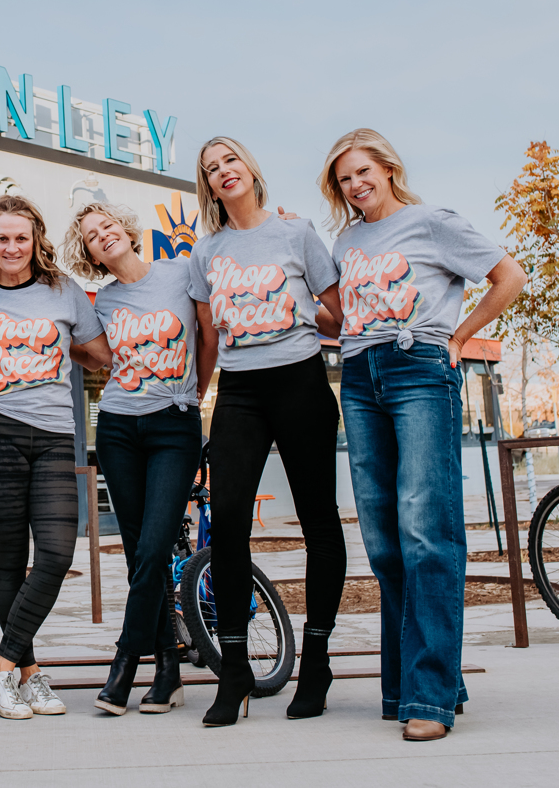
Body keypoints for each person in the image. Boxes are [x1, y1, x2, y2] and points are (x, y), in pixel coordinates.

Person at [320, 128, 524, 742]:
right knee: (383, 536)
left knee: (426, 529)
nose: (355, 185)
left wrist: (459, 338)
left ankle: (428, 697)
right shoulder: (346, 240)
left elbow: (509, 277)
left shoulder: (432, 222)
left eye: (362, 172)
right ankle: (416, 683)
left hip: (419, 369)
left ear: (387, 168)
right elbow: (345, 313)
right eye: (343, 179)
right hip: (357, 373)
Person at [188, 136, 346, 727]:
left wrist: (297, 306)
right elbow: (208, 336)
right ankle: (234, 669)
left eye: (230, 160)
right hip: (240, 391)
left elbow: (339, 312)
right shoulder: (206, 253)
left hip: (301, 381)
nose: (223, 172)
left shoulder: (298, 232)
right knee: (227, 521)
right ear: (208, 186)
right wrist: (192, 396)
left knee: (318, 521)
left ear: (251, 169)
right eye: (211, 169)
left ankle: (319, 661)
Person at [0, 194, 112, 720]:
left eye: (21, 237)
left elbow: (102, 355)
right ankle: (29, 673)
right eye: (2, 238)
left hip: (56, 435)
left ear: (37, 241)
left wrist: (65, 348)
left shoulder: (64, 293)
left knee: (58, 555)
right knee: (10, 560)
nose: (12, 247)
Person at [63, 202, 205, 716]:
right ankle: (167, 670)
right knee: (138, 553)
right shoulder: (100, 302)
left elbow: (207, 339)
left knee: (153, 546)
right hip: (119, 426)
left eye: (107, 226)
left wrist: (196, 394)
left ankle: (124, 662)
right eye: (91, 236)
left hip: (174, 424)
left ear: (126, 230)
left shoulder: (182, 273)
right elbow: (81, 347)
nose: (102, 236)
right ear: (90, 253)